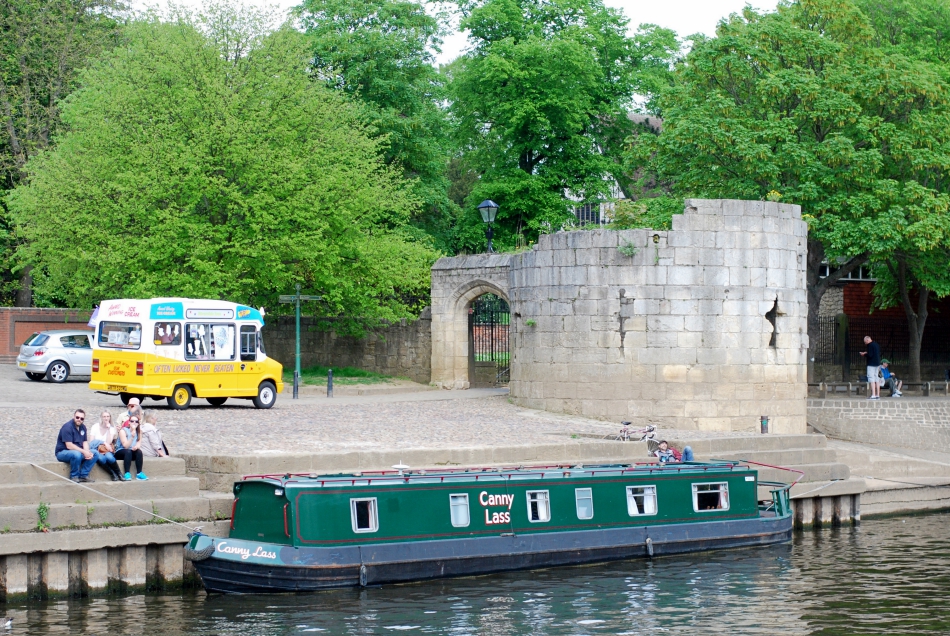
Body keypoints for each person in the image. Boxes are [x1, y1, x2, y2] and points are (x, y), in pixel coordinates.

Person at [55, 409, 98, 483]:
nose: (79, 419)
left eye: (82, 418)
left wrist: (87, 452)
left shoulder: (83, 427)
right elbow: (69, 446)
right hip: (63, 452)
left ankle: (84, 475)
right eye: (77, 417)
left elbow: (84, 442)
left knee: (95, 453)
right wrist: (84, 452)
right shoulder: (67, 427)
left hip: (78, 452)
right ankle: (74, 476)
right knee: (76, 454)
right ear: (74, 416)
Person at [88, 411, 128, 481]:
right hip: (96, 449)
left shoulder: (112, 428)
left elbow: (108, 442)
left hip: (106, 449)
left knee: (109, 457)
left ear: (110, 417)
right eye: (104, 416)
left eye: (107, 416)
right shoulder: (95, 426)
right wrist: (103, 442)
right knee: (101, 459)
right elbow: (92, 442)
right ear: (101, 417)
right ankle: (112, 473)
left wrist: (109, 429)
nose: (106, 418)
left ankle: (119, 473)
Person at [115, 415, 148, 481]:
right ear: (129, 422)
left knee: (139, 452)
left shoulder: (139, 432)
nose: (134, 423)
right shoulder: (123, 431)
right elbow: (125, 446)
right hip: (121, 451)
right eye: (132, 421)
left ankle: (139, 473)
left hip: (131, 450)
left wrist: (136, 447)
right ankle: (127, 473)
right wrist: (132, 437)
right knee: (128, 451)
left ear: (138, 423)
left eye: (136, 421)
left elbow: (139, 443)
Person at [859, 335, 882, 400]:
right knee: (877, 379)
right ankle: (878, 395)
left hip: (871, 364)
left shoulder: (870, 345)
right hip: (877, 364)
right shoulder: (876, 344)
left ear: (867, 340)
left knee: (871, 378)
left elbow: (870, 355)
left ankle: (873, 395)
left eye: (865, 342)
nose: (865, 344)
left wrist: (864, 354)